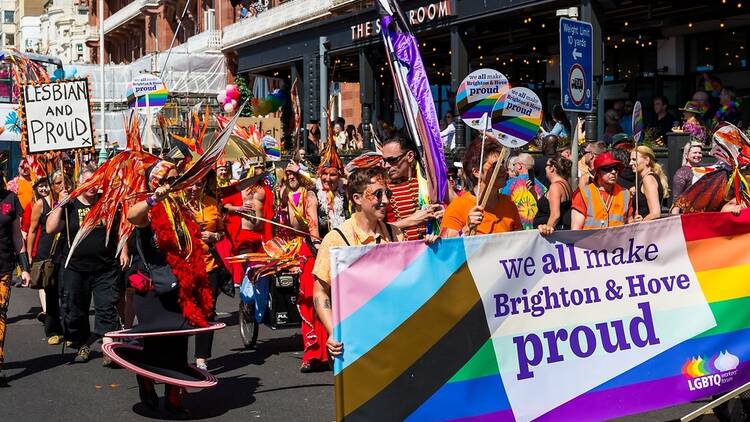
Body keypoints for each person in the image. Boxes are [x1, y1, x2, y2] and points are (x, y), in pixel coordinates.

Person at [122, 161, 217, 413]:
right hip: (153, 290)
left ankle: (174, 397)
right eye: (168, 179)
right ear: (155, 182)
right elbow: (132, 215)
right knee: (156, 344)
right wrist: (154, 199)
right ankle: (146, 379)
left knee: (178, 345)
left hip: (180, 287)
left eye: (175, 178)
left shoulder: (180, 208)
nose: (173, 183)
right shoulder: (148, 210)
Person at [312, 167, 406, 359]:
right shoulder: (335, 239)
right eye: (378, 195)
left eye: (387, 193)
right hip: (354, 341)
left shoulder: (395, 234)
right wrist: (333, 332)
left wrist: (430, 249)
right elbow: (320, 292)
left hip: (393, 335)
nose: (386, 201)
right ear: (357, 198)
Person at [46, 169, 128, 365]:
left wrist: (124, 250)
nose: (93, 186)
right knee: (74, 310)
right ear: (79, 183)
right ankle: (83, 343)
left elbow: (119, 228)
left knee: (106, 307)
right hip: (75, 267)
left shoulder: (107, 202)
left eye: (96, 182)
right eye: (88, 182)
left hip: (105, 266)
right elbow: (50, 228)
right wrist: (60, 204)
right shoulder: (70, 205)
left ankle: (108, 348)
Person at [184, 180, 227, 371]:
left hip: (209, 266)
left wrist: (215, 237)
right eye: (190, 184)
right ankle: (178, 359)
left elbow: (222, 232)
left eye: (199, 184)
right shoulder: (176, 203)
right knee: (183, 313)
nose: (194, 188)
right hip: (184, 267)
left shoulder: (211, 203)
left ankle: (201, 359)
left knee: (206, 312)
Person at [441, 138, 521, 236]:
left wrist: (542, 231)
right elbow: (448, 247)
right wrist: (467, 229)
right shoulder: (457, 207)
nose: (503, 170)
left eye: (503, 164)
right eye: (495, 165)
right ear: (477, 172)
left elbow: (520, 244)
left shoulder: (509, 204)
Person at [0, 170, 32, 385]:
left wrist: (25, 268)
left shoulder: (10, 199)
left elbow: (16, 236)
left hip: (3, 267)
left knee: (0, 314)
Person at [26, 174, 64, 345]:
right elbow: (32, 230)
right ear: (51, 185)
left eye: (64, 182)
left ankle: (72, 330)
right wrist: (29, 256)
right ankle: (53, 330)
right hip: (47, 252)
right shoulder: (41, 204)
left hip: (66, 251)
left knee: (69, 292)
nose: (61, 186)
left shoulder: (69, 200)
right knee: (51, 292)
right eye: (57, 183)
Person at [382, 136, 443, 241]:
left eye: (392, 160)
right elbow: (373, 229)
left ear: (410, 156)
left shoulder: (428, 182)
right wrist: (412, 220)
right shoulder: (382, 189)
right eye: (384, 161)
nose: (387, 165)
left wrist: (443, 213)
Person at [571, 152, 632, 230]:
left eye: (616, 168)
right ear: (598, 173)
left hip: (617, 241)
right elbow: (575, 230)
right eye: (608, 168)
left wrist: (637, 222)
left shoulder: (625, 194)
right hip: (591, 241)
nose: (613, 172)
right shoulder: (583, 194)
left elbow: (630, 224)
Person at [501, 153, 546, 230]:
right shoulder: (542, 187)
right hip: (537, 228)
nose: (513, 166)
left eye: (514, 164)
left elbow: (501, 202)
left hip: (517, 228)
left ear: (519, 166)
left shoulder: (508, 184)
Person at [535, 157, 573, 234]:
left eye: (546, 165)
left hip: (549, 234)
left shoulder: (555, 186)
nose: (544, 168)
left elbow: (555, 215)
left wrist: (546, 232)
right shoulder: (565, 183)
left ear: (552, 168)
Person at [630, 146, 668, 222]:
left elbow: (655, 213)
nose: (630, 163)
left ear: (647, 160)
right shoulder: (644, 179)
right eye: (630, 160)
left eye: (634, 159)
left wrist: (641, 222)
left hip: (647, 230)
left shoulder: (648, 179)